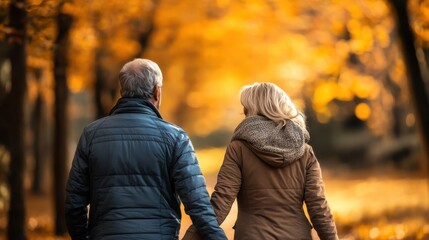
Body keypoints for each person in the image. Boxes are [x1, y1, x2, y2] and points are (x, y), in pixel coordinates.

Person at [65, 58, 227, 240]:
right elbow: (198, 205)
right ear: (157, 91)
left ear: (122, 91)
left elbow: (74, 204)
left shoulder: (91, 135)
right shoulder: (175, 138)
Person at [184, 82, 338, 240]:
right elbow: (318, 207)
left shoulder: (239, 148)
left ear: (254, 110)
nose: (244, 113)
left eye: (246, 108)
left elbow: (221, 202)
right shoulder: (305, 152)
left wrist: (189, 238)